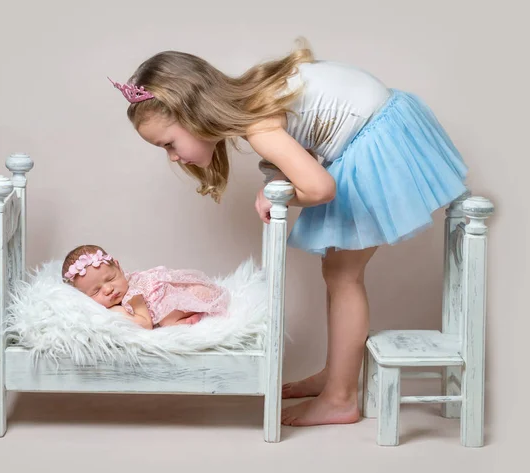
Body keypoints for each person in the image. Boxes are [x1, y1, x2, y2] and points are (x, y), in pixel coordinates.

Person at [108, 38, 468, 426]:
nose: (174, 157)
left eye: (169, 144)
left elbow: (320, 188)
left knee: (343, 274)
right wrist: (282, 174)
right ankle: (335, 377)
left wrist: (277, 196)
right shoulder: (256, 98)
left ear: (195, 114)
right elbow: (308, 135)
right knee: (337, 272)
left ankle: (341, 398)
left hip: (378, 139)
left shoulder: (258, 125)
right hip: (385, 122)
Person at [62, 245, 230, 329]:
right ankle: (192, 316)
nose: (108, 289)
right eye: (96, 291)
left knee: (165, 319)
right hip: (185, 294)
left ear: (119, 268)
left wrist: (116, 313)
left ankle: (185, 318)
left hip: (189, 293)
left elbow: (145, 324)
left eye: (111, 278)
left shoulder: (132, 295)